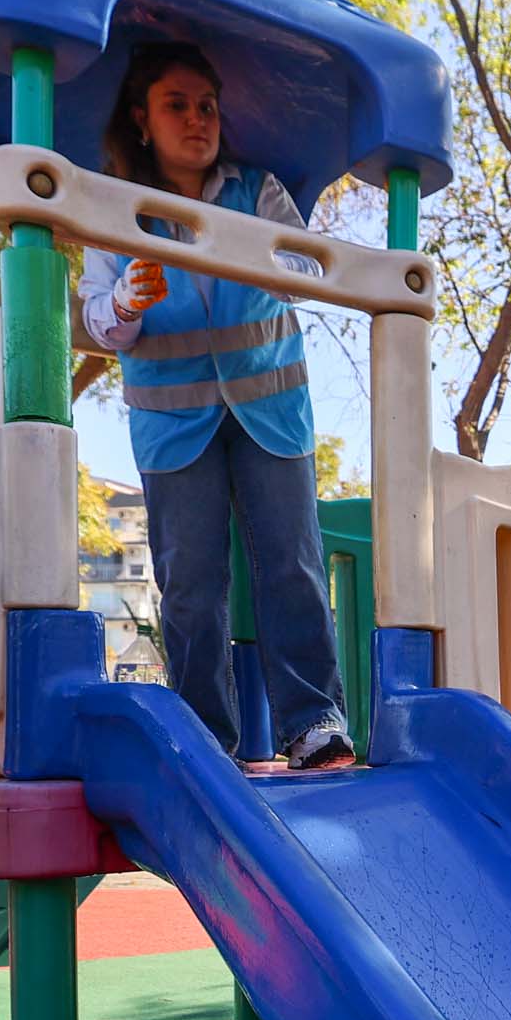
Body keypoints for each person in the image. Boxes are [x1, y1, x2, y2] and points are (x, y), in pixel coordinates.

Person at [79, 41, 350, 769]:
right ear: (141, 119)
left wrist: (257, 252)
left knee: (291, 566)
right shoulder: (117, 210)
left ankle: (312, 722)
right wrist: (127, 300)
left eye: (207, 106)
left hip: (269, 407)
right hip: (172, 423)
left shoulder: (254, 189)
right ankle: (205, 736)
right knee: (191, 585)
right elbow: (101, 321)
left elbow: (303, 273)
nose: (197, 120)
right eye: (177, 105)